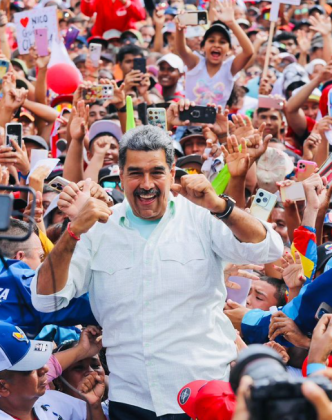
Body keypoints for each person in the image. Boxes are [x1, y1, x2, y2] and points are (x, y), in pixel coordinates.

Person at [32, 125, 283, 419]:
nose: (146, 183)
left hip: (207, 397)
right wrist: (73, 231)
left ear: (172, 172)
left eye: (157, 172)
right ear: (121, 175)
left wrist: (219, 206)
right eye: (136, 173)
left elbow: (267, 248)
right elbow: (46, 301)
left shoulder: (201, 215)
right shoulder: (97, 227)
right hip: (131, 402)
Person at [0, 320, 89, 419]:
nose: (45, 368)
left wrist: (95, 406)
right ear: (2, 387)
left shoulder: (54, 400)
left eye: (37, 360)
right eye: (30, 368)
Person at [175, 0, 254, 107]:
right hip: (188, 122)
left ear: (229, 50)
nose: (216, 45)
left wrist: (232, 23)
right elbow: (181, 49)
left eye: (222, 42)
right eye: (211, 41)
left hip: (216, 123)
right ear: (202, 47)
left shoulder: (230, 68)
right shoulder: (196, 63)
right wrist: (179, 29)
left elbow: (249, 52)